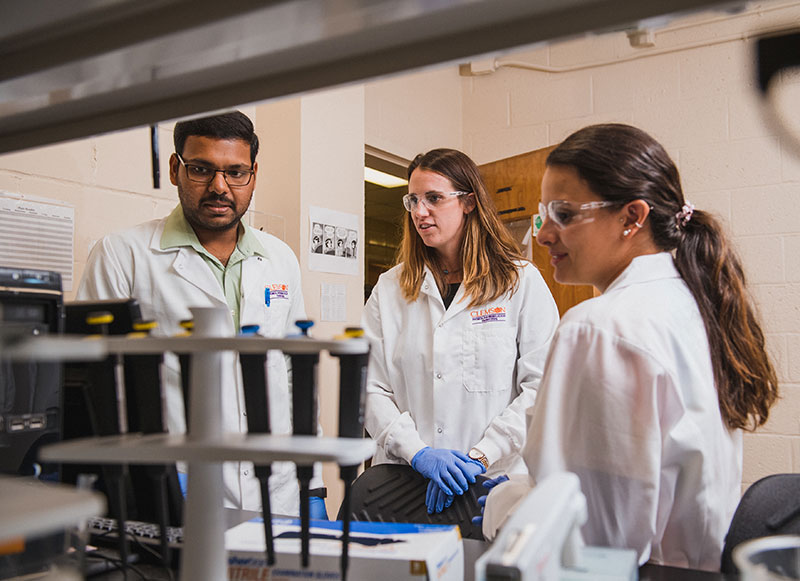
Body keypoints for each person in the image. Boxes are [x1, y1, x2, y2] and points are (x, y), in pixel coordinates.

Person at [481, 124, 779, 571]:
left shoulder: (599, 328)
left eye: (564, 214)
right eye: (545, 214)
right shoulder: (691, 302)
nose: (543, 235)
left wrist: (500, 505)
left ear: (631, 217)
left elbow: (590, 538)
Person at [77, 111, 328, 518]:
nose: (219, 187)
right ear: (176, 169)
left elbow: (294, 376)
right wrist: (152, 470)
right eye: (201, 169)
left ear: (253, 174)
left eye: (235, 172)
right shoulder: (122, 254)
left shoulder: (279, 259)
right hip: (172, 485)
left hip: (277, 490)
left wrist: (312, 485)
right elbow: (102, 385)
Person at [363, 148, 559, 514]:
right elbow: (370, 388)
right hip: (406, 483)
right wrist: (418, 453)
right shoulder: (389, 289)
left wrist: (481, 457)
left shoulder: (520, 282)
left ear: (469, 202)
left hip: (494, 485)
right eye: (414, 200)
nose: (420, 212)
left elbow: (542, 387)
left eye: (434, 198)